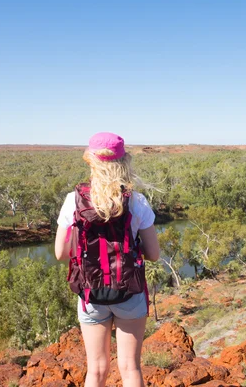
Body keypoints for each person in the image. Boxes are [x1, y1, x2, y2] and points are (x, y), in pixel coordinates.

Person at [54, 132, 160, 387]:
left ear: (90, 160)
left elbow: (60, 253)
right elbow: (154, 255)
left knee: (97, 370)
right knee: (130, 368)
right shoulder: (136, 201)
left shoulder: (74, 201)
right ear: (124, 163)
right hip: (129, 293)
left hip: (91, 293)